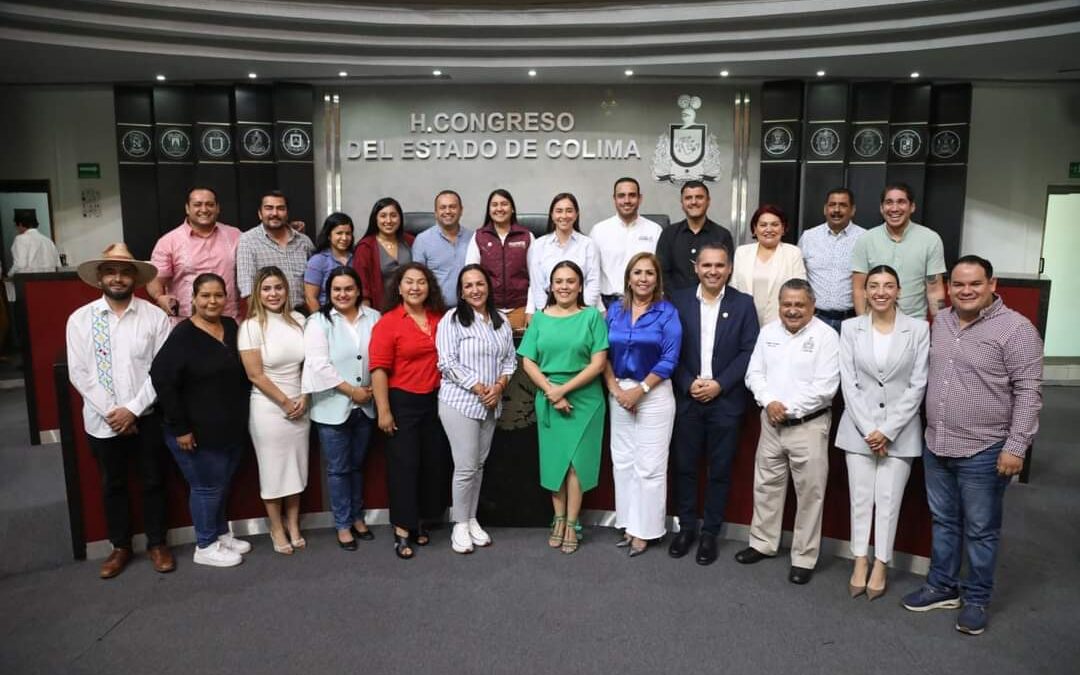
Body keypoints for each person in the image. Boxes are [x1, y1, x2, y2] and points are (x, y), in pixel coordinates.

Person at [902, 255, 1043, 636]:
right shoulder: (943, 321)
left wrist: (1016, 447)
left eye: (974, 284)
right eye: (959, 284)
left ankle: (977, 598)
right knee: (944, 521)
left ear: (992, 285)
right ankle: (942, 586)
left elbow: (1029, 391)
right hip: (937, 442)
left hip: (984, 449)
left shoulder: (1016, 330)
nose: (965, 291)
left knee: (981, 529)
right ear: (949, 288)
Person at [65, 243, 173, 578]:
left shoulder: (155, 317)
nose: (118, 277)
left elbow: (162, 370)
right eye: (111, 271)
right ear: (100, 277)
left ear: (136, 278)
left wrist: (134, 410)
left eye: (125, 271)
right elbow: (79, 372)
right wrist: (115, 412)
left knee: (154, 481)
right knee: (113, 484)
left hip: (148, 418)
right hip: (102, 421)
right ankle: (120, 547)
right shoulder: (81, 319)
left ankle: (157, 543)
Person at [737, 279, 840, 585]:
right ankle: (763, 543)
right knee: (766, 485)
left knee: (810, 493)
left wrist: (787, 408)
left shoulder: (827, 337)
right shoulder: (768, 332)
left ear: (813, 306)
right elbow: (754, 372)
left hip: (808, 425)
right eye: (787, 304)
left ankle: (804, 557)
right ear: (779, 305)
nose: (792, 310)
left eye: (799, 305)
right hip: (770, 422)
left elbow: (826, 387)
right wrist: (769, 403)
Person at [836, 265, 928, 600]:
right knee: (860, 499)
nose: (880, 292)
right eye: (873, 285)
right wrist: (868, 429)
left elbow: (917, 385)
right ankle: (859, 559)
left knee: (889, 501)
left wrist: (887, 431)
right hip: (858, 430)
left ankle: (881, 562)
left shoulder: (918, 330)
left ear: (899, 291)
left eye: (889, 286)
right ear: (865, 291)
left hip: (900, 433)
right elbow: (849, 382)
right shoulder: (850, 328)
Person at [150, 273, 252, 567]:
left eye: (218, 295)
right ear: (193, 299)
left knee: (220, 483)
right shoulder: (183, 335)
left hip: (228, 429)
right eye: (205, 296)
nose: (212, 301)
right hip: (193, 432)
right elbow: (161, 379)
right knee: (206, 486)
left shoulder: (231, 326)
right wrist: (181, 428)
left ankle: (220, 533)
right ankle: (205, 545)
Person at [668, 243, 758, 565]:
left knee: (719, 470)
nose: (713, 271)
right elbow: (669, 350)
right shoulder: (677, 301)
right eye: (707, 265)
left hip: (725, 401)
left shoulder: (744, 304)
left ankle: (710, 534)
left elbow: (749, 352)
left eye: (719, 265)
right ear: (696, 268)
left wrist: (720, 384)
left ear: (729, 268)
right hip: (688, 397)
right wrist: (687, 381)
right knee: (686, 468)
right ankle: (687, 528)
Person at [518, 261, 609, 554]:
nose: (565, 286)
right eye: (559, 281)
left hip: (586, 398)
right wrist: (551, 392)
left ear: (580, 286)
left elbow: (598, 363)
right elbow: (527, 361)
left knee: (577, 464)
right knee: (556, 462)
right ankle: (557, 518)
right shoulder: (541, 319)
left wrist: (563, 391)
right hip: (549, 396)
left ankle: (572, 522)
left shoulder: (592, 316)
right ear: (550, 286)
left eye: (571, 281)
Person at [369, 263, 450, 560]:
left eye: (421, 282)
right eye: (409, 282)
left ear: (430, 287)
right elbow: (378, 368)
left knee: (431, 464)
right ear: (399, 287)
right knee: (404, 467)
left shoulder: (439, 319)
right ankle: (402, 529)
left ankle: (420, 522)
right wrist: (384, 410)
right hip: (401, 402)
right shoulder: (388, 323)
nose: (415, 287)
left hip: (436, 401)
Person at [603, 252, 681, 557]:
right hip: (618, 391)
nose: (643, 278)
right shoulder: (614, 310)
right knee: (622, 463)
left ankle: (645, 531)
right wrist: (615, 389)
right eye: (637, 272)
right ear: (628, 278)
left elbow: (670, 358)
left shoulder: (667, 313)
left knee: (649, 467)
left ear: (657, 279)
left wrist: (641, 390)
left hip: (655, 393)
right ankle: (628, 523)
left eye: (649, 273)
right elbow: (602, 352)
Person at [435, 264, 517, 554]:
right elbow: (446, 362)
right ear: (461, 291)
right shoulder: (452, 320)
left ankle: (471, 519)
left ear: (488, 286)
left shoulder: (500, 322)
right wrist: (481, 387)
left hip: (491, 404)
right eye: (468, 285)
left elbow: (510, 360)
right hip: (460, 402)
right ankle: (458, 525)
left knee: (478, 466)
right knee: (466, 466)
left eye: (479, 284)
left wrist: (500, 385)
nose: (474, 290)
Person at [302, 266, 380, 551]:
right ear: (328, 292)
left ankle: (359, 517)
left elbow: (380, 357)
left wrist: (370, 391)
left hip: (366, 406)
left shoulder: (374, 317)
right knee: (338, 469)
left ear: (358, 290)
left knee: (358, 466)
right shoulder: (317, 322)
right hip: (332, 407)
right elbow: (319, 366)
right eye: (337, 289)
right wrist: (353, 391)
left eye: (348, 288)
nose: (343, 294)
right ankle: (343, 524)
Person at [238, 266, 309, 555]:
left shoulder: (301, 320)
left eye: (278, 287)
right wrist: (285, 402)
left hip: (301, 405)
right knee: (273, 471)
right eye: (267, 288)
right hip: (269, 408)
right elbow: (255, 375)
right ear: (258, 292)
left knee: (296, 469)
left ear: (286, 290)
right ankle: (276, 527)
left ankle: (293, 524)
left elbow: (311, 364)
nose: (273, 294)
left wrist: (304, 396)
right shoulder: (251, 326)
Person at [851, 183, 946, 319]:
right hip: (875, 323)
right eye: (889, 202)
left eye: (901, 202)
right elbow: (859, 289)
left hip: (915, 323)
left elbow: (935, 290)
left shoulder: (931, 239)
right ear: (882, 208)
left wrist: (940, 327)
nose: (894, 208)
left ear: (912, 207)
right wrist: (863, 323)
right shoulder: (866, 240)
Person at [148, 186, 242, 324]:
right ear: (187, 208)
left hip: (229, 320)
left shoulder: (236, 236)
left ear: (217, 208)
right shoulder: (169, 241)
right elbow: (154, 278)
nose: (204, 210)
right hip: (186, 322)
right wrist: (159, 296)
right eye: (197, 205)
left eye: (210, 204)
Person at [464, 188, 533, 332]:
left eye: (504, 204)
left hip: (521, 308)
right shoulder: (479, 237)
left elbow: (535, 278)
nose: (499, 208)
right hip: (488, 309)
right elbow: (471, 276)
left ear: (512, 208)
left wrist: (530, 310)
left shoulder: (526, 236)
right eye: (494, 205)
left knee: (520, 353)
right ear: (489, 210)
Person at [798, 188, 866, 332]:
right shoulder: (809, 237)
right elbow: (798, 276)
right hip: (814, 319)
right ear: (825, 209)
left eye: (843, 205)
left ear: (852, 210)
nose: (836, 209)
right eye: (832, 204)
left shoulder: (865, 238)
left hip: (851, 320)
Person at [590, 177, 662, 308]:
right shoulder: (599, 231)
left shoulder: (655, 230)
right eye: (621, 196)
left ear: (640, 198)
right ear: (614, 199)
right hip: (608, 303)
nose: (627, 200)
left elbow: (660, 272)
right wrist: (600, 308)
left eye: (632, 195)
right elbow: (591, 273)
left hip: (646, 303)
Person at [236, 190, 315, 311]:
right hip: (268, 316)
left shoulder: (303, 241)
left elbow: (314, 279)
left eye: (280, 208)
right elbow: (247, 287)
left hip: (301, 315)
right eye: (269, 208)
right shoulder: (248, 241)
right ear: (260, 213)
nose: (275, 213)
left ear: (287, 213)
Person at [731, 204, 807, 327]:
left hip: (781, 324)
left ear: (783, 228)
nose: (769, 229)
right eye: (763, 225)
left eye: (775, 225)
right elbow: (734, 289)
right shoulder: (742, 252)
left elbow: (800, 291)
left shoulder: (793, 253)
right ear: (755, 229)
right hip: (744, 322)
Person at [527, 192, 601, 315]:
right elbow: (537, 286)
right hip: (548, 310)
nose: (564, 215)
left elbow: (593, 284)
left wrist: (582, 313)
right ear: (552, 215)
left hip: (583, 311)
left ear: (576, 214)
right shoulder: (538, 246)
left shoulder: (588, 245)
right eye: (559, 211)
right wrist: (546, 313)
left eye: (569, 211)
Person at [655, 180, 734, 293]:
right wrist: (678, 299)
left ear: (708, 201)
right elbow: (662, 272)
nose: (693, 202)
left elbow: (726, 272)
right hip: (675, 303)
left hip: (711, 302)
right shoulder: (669, 234)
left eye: (699, 197)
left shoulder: (722, 235)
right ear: (682, 203)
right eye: (688, 198)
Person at [352, 197, 415, 311]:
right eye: (383, 216)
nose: (389, 220)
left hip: (411, 308)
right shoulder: (366, 248)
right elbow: (362, 287)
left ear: (400, 218)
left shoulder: (411, 241)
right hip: (380, 309)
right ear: (375, 219)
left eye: (393, 215)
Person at [413, 190, 473, 308]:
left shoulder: (473, 238)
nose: (448, 211)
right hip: (436, 309)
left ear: (461, 210)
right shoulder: (422, 240)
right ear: (436, 213)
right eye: (443, 207)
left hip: (468, 308)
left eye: (452, 207)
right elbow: (417, 279)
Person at [303, 212, 355, 312]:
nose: (344, 238)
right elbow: (310, 298)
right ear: (329, 236)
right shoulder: (318, 261)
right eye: (339, 233)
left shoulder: (357, 258)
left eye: (348, 233)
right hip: (327, 317)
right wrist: (321, 322)